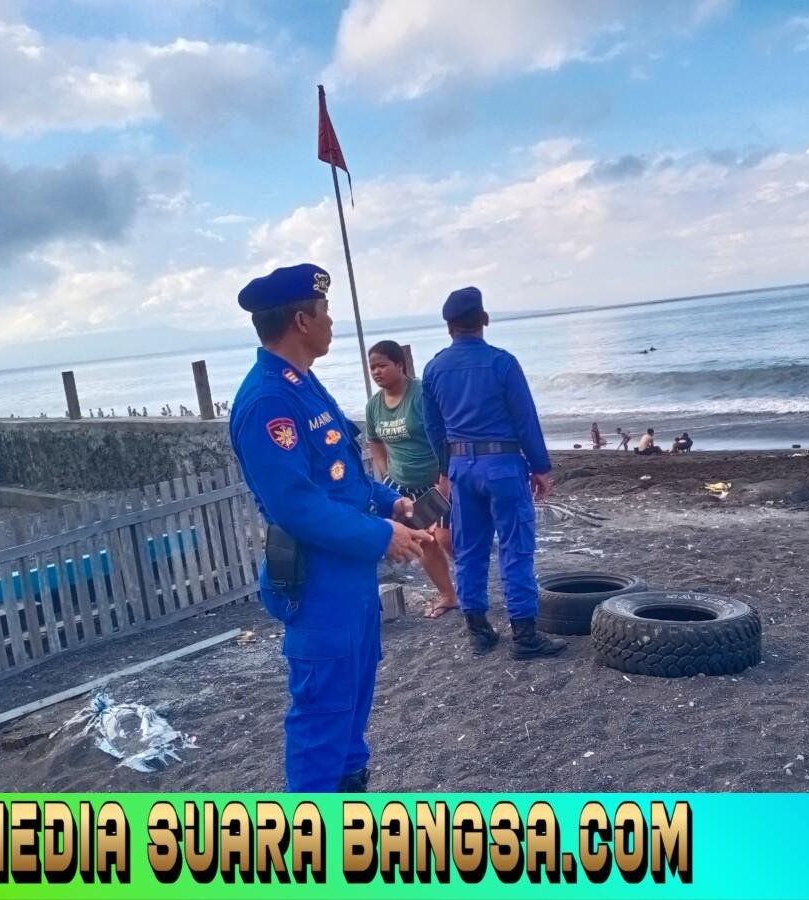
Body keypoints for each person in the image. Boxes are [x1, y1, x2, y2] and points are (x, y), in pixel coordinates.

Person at [230, 263, 431, 793]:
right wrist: (382, 536)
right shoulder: (269, 400)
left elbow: (342, 476)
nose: (331, 321)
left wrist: (391, 503)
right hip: (318, 582)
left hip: (350, 578)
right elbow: (295, 505)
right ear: (302, 320)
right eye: (324, 311)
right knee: (322, 721)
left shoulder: (302, 384)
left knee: (351, 713)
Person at [421, 286, 566, 660]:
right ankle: (524, 635)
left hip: (461, 467)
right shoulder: (502, 363)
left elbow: (433, 428)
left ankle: (478, 630)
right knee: (516, 547)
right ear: (484, 320)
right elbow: (525, 418)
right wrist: (540, 467)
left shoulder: (434, 368)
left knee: (469, 549)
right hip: (502, 465)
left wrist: (445, 469)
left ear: (449, 326)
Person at [366, 339, 460, 619]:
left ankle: (473, 584)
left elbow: (447, 434)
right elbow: (374, 441)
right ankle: (449, 596)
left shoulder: (421, 394)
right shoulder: (374, 406)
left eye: (382, 365)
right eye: (372, 367)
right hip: (401, 486)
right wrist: (385, 473)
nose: (377, 372)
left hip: (438, 482)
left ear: (400, 364)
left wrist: (445, 478)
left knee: (446, 539)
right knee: (424, 541)